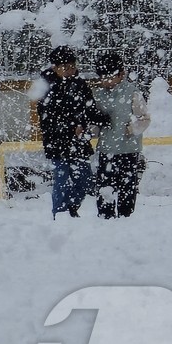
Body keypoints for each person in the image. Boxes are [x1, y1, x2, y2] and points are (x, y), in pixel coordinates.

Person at [29, 46, 109, 218]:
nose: (70, 71)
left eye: (72, 66)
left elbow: (90, 108)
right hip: (57, 143)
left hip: (78, 142)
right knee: (61, 179)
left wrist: (104, 120)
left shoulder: (79, 84)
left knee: (85, 178)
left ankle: (72, 206)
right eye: (65, 67)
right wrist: (71, 126)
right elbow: (47, 118)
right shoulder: (46, 87)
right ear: (55, 67)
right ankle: (60, 212)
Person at [93, 51, 150, 219]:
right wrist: (93, 128)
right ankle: (105, 216)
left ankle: (126, 216)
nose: (105, 82)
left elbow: (145, 119)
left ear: (121, 74)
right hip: (106, 148)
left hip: (128, 150)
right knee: (105, 186)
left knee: (127, 186)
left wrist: (132, 128)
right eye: (102, 78)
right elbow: (96, 121)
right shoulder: (99, 95)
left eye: (109, 77)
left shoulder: (133, 93)